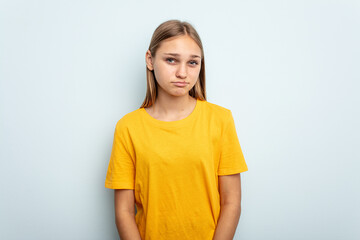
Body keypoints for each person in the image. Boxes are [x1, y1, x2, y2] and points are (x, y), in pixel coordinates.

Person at [105, 19, 248, 240]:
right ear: (150, 60)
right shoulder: (128, 128)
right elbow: (124, 211)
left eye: (192, 63)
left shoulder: (220, 120)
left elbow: (231, 201)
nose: (182, 73)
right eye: (171, 60)